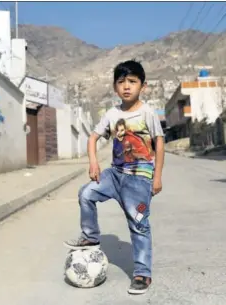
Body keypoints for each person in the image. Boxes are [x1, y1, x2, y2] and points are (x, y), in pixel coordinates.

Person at [63, 59, 165, 295]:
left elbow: (159, 143)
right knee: (86, 193)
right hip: (115, 174)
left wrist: (157, 177)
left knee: (138, 225)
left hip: (139, 179)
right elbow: (92, 138)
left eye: (132, 82)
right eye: (121, 82)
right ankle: (90, 237)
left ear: (143, 86)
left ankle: (142, 274)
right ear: (114, 87)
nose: (127, 86)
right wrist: (94, 163)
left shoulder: (147, 112)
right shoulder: (111, 114)